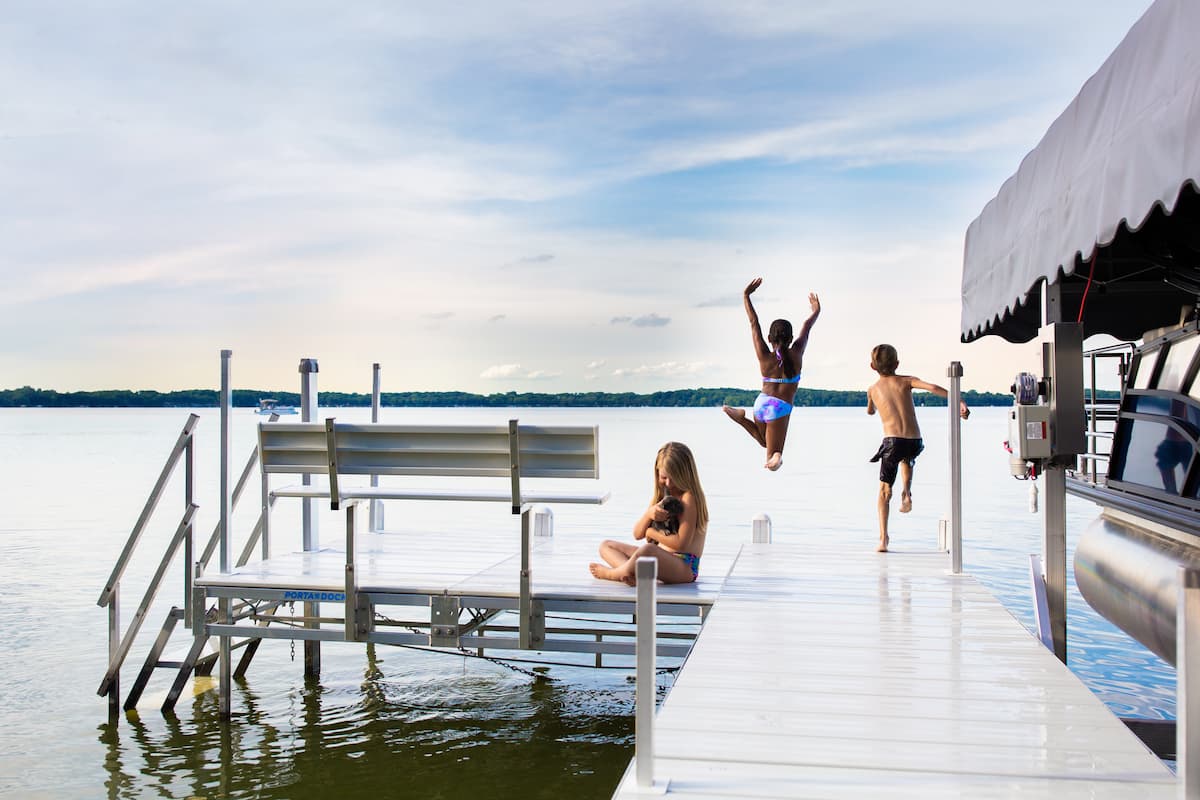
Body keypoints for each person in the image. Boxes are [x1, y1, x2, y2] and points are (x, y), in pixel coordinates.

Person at [866, 343, 969, 553]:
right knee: (907, 458)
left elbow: (870, 411)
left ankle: (883, 539)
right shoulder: (906, 381)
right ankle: (907, 492)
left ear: (872, 366)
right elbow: (932, 387)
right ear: (897, 364)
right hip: (914, 440)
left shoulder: (872, 389)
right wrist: (958, 400)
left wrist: (872, 405)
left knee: (884, 491)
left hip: (892, 442)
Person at [722, 278, 821, 471]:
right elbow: (807, 327)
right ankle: (776, 457)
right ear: (791, 339)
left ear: (769, 339)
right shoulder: (797, 352)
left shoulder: (764, 355)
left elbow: (753, 323)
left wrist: (746, 296)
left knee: (764, 441)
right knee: (773, 454)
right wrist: (816, 311)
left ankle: (741, 417)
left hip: (761, 403)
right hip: (779, 407)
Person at [589, 442, 709, 585]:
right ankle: (631, 574)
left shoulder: (689, 497)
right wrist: (648, 514)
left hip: (684, 567)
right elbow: (637, 534)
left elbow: (681, 544)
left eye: (674, 478)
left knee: (648, 550)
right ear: (657, 472)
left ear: (685, 475)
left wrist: (652, 533)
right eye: (664, 477)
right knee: (606, 546)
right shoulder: (663, 495)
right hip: (660, 558)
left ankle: (613, 573)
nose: (669, 483)